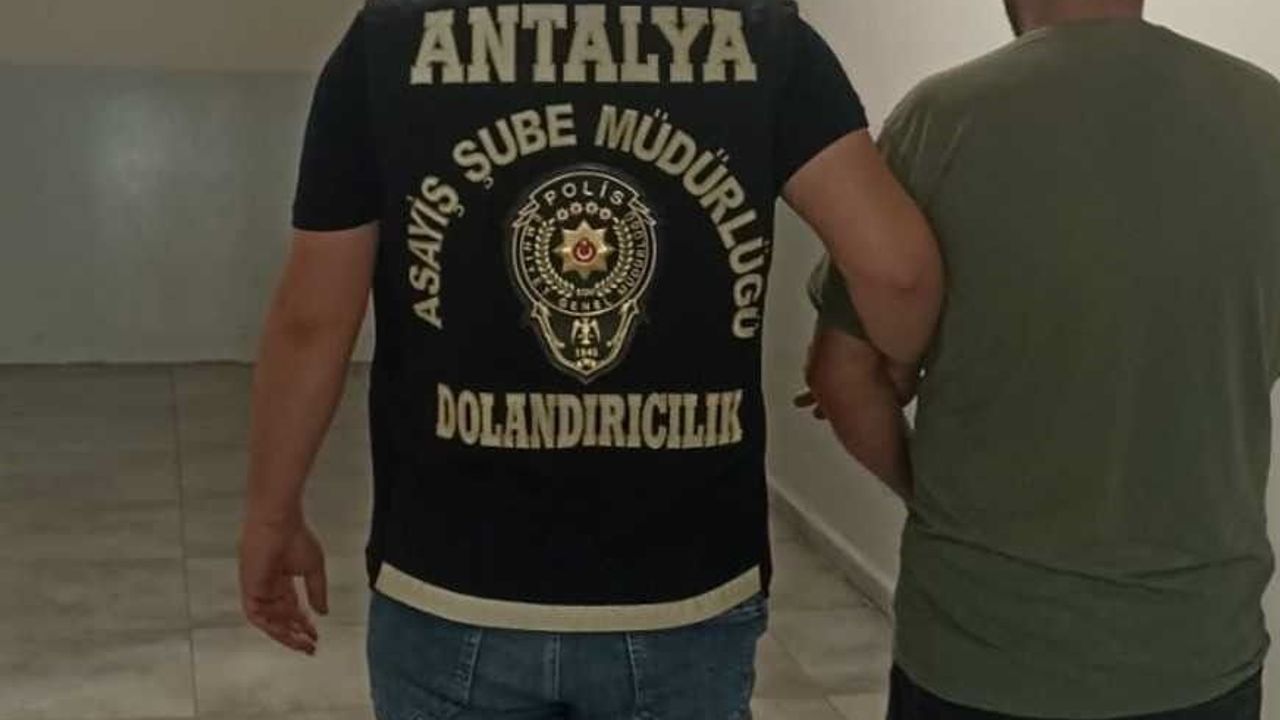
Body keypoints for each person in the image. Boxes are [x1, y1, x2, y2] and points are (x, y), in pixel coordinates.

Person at [236, 0, 943, 717]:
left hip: (451, 580)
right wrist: (892, 362)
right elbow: (898, 273)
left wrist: (271, 513)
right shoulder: (762, 35)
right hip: (686, 586)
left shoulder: (390, 38)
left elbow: (313, 322)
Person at [805, 0, 1280, 718]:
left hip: (982, 644)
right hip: (1197, 647)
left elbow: (842, 377)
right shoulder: (1265, 114)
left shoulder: (943, 117)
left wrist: (927, 490)